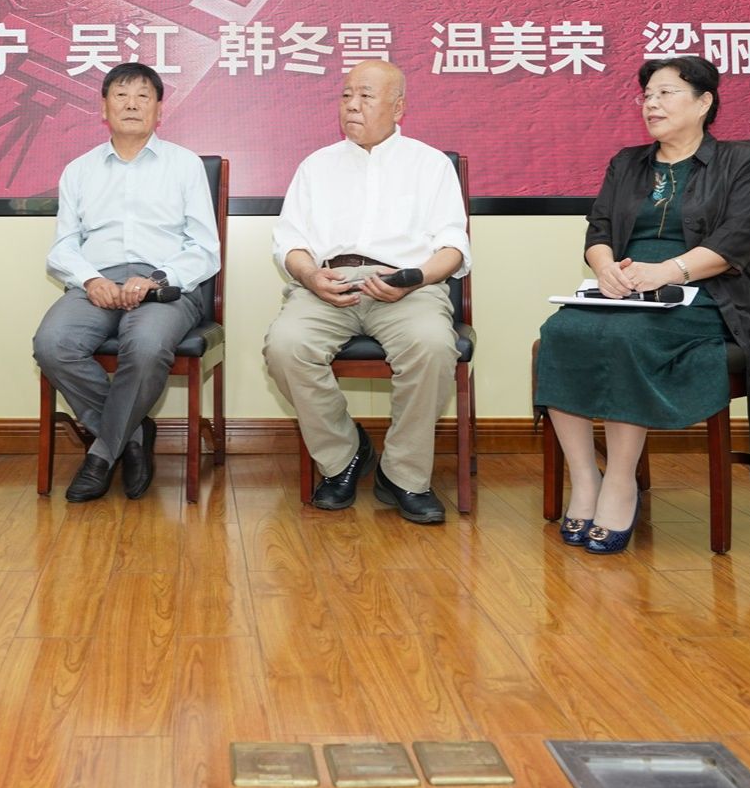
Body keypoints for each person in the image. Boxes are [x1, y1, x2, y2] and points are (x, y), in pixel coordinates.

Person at [532, 57, 750, 555]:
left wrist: (666, 272)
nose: (651, 104)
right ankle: (585, 479)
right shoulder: (627, 163)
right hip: (626, 286)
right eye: (647, 95)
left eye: (666, 93)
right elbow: (599, 230)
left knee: (628, 337)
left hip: (706, 293)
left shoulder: (740, 162)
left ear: (704, 102)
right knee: (560, 332)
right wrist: (606, 268)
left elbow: (735, 241)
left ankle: (620, 482)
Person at [263, 61, 469, 524]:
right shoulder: (316, 166)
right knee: (285, 347)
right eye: (346, 95)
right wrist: (310, 276)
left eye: (366, 96)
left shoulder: (430, 164)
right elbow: (290, 242)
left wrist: (413, 278)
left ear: (398, 108)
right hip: (328, 284)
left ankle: (403, 475)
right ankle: (344, 454)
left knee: (433, 346)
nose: (352, 105)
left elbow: (453, 247)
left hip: (408, 286)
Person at [33, 63, 220, 502]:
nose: (132, 104)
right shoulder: (79, 170)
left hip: (164, 285)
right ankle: (133, 435)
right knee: (52, 344)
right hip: (95, 282)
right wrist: (90, 279)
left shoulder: (185, 165)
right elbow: (63, 247)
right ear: (104, 107)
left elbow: (204, 248)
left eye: (143, 96)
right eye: (121, 95)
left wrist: (157, 279)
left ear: (159, 109)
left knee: (147, 344)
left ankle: (101, 456)